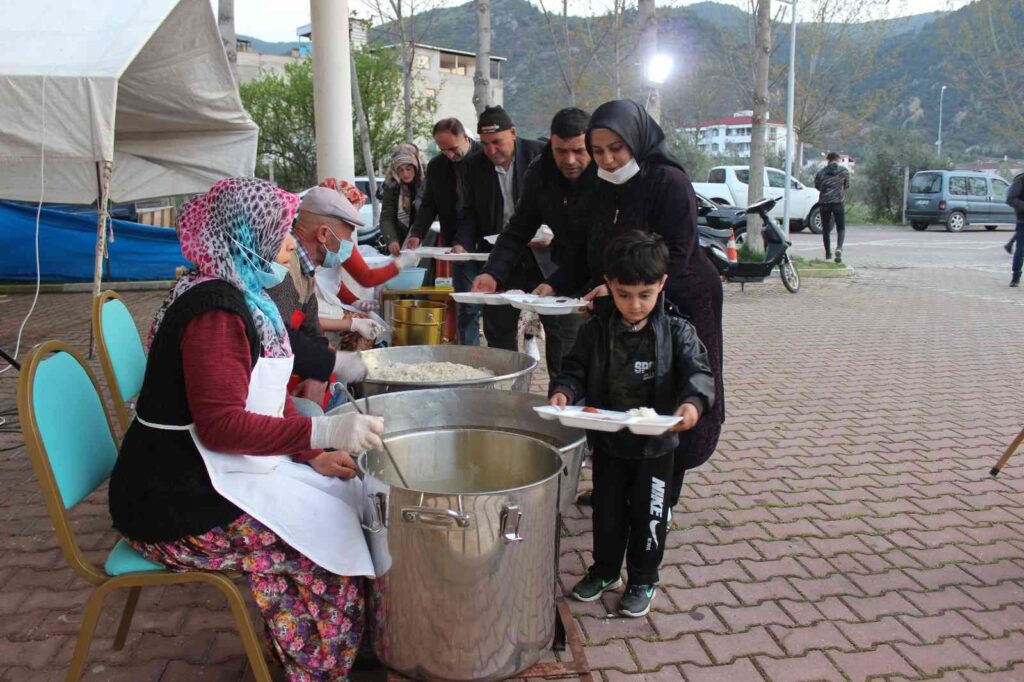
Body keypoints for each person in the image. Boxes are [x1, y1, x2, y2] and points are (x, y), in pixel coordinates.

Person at [109, 177, 386, 680]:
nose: (289, 241)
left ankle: (332, 647)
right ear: (247, 234)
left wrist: (309, 454)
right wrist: (319, 435)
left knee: (339, 495)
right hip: (172, 499)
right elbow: (221, 426)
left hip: (206, 471)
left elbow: (260, 391)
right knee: (319, 546)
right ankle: (321, 667)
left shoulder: (242, 294)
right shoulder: (214, 310)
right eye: (282, 230)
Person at [553, 99, 725, 513]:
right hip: (624, 302)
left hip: (680, 298)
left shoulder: (668, 181)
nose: (608, 159)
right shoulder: (597, 183)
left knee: (670, 389)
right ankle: (615, 484)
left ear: (637, 140)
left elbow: (679, 254)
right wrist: (555, 285)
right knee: (619, 390)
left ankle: (661, 495)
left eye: (617, 148)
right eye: (598, 151)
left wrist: (626, 294)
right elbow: (585, 247)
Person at [549, 231, 715, 617]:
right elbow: (574, 370)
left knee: (649, 516)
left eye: (645, 294)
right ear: (609, 285)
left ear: (661, 285)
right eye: (624, 295)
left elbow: (700, 374)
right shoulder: (595, 329)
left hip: (656, 449)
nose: (634, 305)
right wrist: (564, 392)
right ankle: (606, 571)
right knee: (607, 514)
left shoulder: (677, 331)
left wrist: (691, 405)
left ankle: (643, 578)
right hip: (609, 444)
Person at [268, 187, 413, 413]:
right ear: (324, 234)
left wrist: (322, 372)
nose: (348, 246)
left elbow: (312, 329)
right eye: (346, 238)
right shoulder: (285, 268)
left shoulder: (306, 271)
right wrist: (329, 364)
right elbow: (280, 336)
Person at [472, 107, 593, 376]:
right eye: (561, 151)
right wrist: (493, 271)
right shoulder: (540, 170)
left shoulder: (605, 171)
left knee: (570, 352)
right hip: (561, 271)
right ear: (551, 143)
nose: (569, 160)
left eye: (578, 151)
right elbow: (518, 228)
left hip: (594, 272)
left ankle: (571, 404)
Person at [454, 105, 546, 352]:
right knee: (498, 326)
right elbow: (470, 212)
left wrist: (551, 233)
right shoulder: (474, 165)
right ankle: (505, 380)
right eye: (484, 144)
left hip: (542, 255)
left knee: (559, 327)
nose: (491, 150)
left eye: (497, 142)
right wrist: (462, 242)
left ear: (513, 133)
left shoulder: (540, 155)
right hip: (501, 255)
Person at [406, 118, 483, 344]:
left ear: (466, 138)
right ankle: (470, 357)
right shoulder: (437, 166)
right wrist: (417, 234)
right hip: (457, 245)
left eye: (453, 148)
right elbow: (429, 203)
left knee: (497, 310)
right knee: (467, 306)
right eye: (443, 149)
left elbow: (477, 209)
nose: (449, 154)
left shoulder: (483, 159)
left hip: (487, 240)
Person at [379, 143, 425, 256]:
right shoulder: (391, 186)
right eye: (400, 170)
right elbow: (386, 216)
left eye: (408, 169)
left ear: (416, 165)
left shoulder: (428, 182)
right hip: (400, 238)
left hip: (426, 238)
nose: (405, 174)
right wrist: (391, 239)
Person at [814, 152, 851, 263]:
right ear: (838, 159)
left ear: (827, 160)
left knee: (826, 229)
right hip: (838, 202)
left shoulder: (821, 172)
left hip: (824, 203)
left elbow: (817, 186)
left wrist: (826, 191)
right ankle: (839, 248)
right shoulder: (844, 171)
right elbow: (847, 186)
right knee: (841, 227)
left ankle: (828, 255)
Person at [1007, 171, 1024, 287]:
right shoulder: (1021, 179)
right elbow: (1011, 199)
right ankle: (1016, 276)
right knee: (1021, 250)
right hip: (1023, 220)